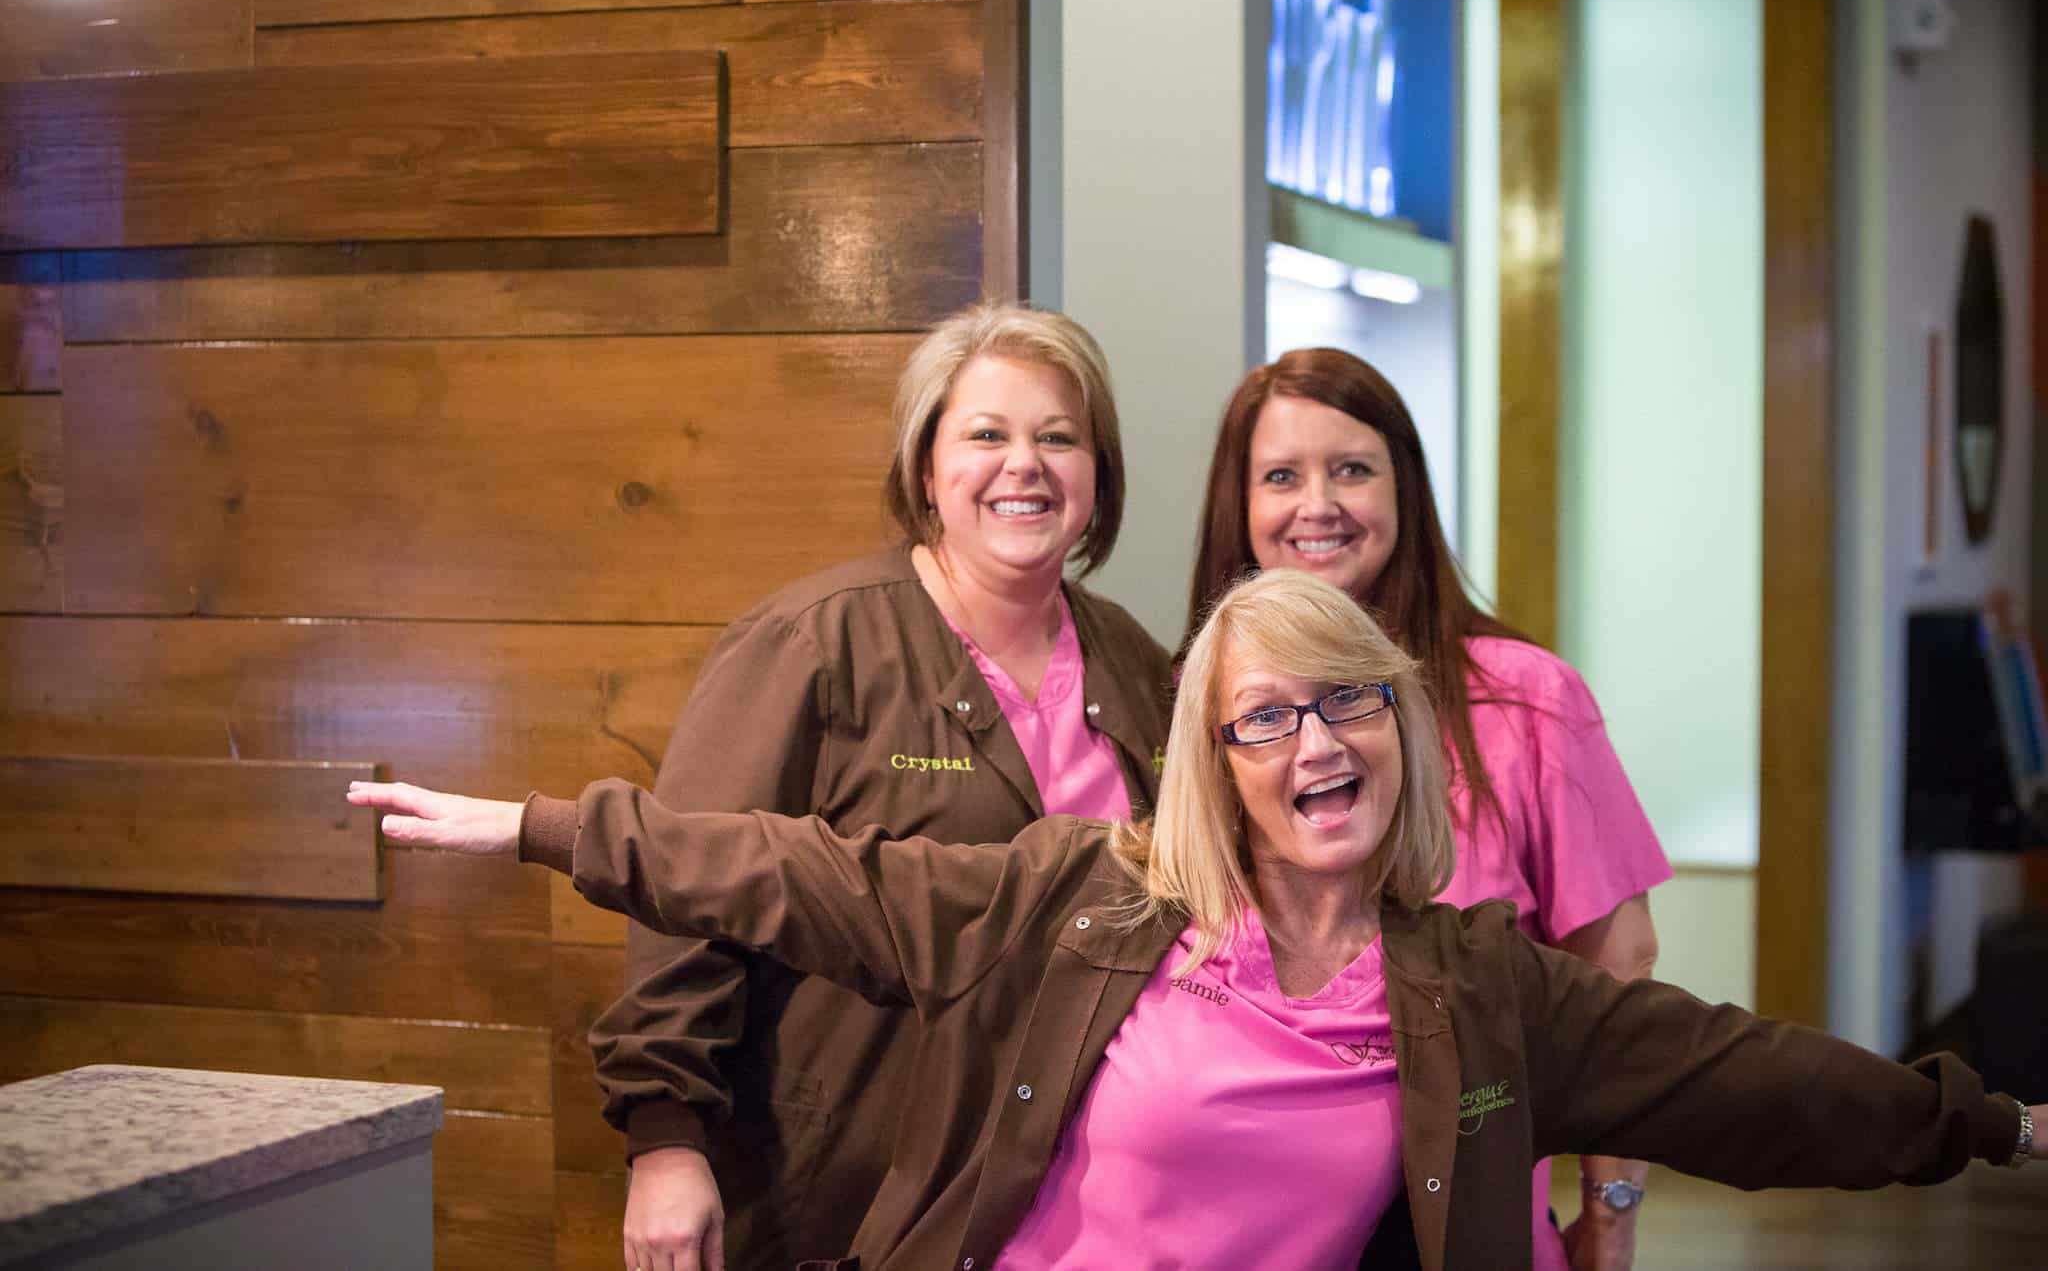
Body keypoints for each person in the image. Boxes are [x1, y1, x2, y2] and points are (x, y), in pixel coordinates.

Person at [353, 570, 2041, 1271]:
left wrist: (1994, 1125)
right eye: (1265, 718)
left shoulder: (1478, 985)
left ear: (1398, 726)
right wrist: (545, 828)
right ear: (1215, 764)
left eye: (1349, 701)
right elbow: (810, 875)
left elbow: (1751, 1082)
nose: (1315, 744)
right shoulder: (1086, 897)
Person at [590, 302, 1174, 1271]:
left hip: (1075, 1203)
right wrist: (664, 1137)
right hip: (845, 1194)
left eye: (1057, 438)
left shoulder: (1139, 665)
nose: (1023, 464)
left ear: (1096, 473)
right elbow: (687, 886)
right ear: (925, 468)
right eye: (985, 435)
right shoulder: (813, 645)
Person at [1187, 347, 1670, 1270]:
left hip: (1469, 1227)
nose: (1317, 504)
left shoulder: (1527, 700)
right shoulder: (1195, 706)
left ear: (1404, 488)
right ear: (1238, 506)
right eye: (1281, 476)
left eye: (1352, 469)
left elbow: (1620, 967)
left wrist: (1611, 1213)